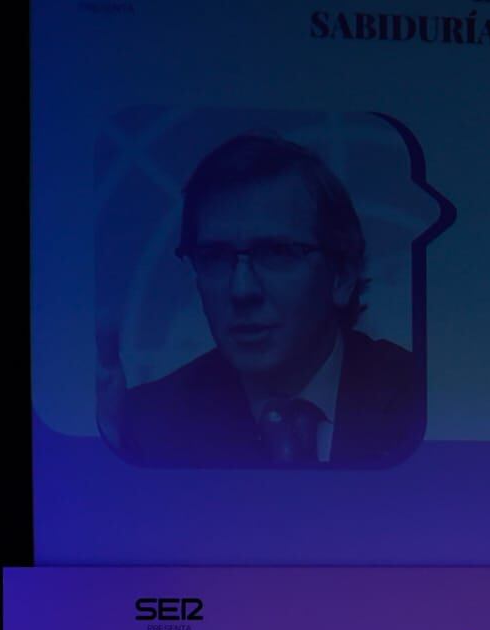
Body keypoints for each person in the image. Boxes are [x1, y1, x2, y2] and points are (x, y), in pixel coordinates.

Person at [117, 132, 424, 468]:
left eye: (277, 252)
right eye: (215, 256)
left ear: (343, 275)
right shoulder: (146, 424)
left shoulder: (422, 396)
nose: (242, 290)